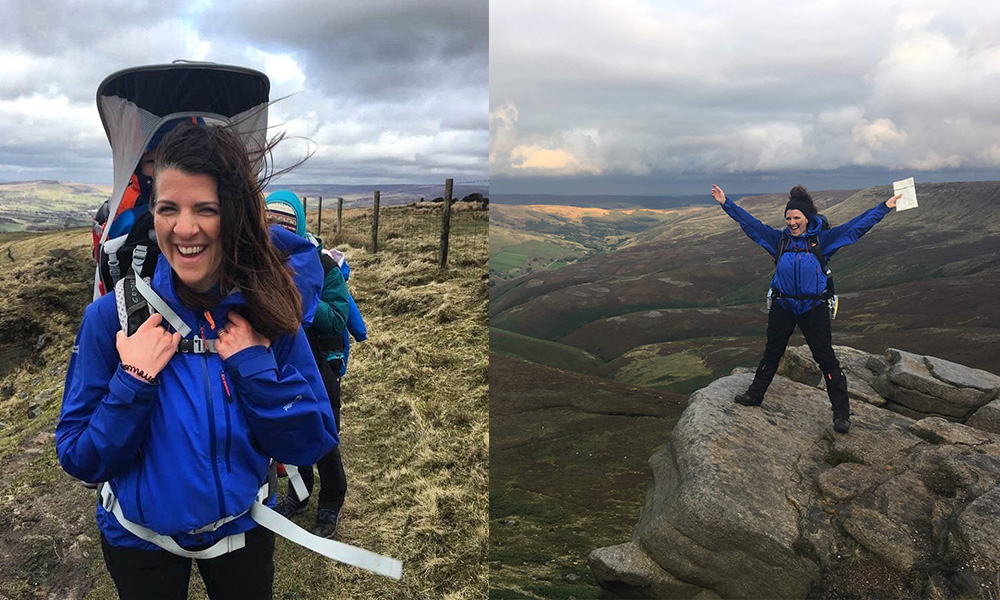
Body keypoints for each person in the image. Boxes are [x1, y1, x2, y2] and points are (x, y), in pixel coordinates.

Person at [57, 122, 338, 600]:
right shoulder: (113, 318)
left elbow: (309, 442)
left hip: (241, 534)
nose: (184, 229)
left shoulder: (268, 309)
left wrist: (253, 367)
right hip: (137, 542)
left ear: (235, 215)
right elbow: (79, 457)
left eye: (205, 209)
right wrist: (134, 380)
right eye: (168, 208)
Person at [711, 184, 900, 434]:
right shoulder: (778, 240)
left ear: (807, 218)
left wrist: (884, 207)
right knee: (772, 352)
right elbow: (751, 225)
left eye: (796, 217)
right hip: (784, 304)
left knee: (826, 359)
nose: (791, 222)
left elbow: (856, 227)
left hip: (813, 307)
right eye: (788, 218)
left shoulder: (822, 240)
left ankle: (841, 415)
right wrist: (727, 203)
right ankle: (754, 395)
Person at [265, 191, 352, 539]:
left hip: (319, 362)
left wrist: (301, 304)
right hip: (283, 362)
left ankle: (331, 502)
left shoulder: (324, 266)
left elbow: (337, 320)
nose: (278, 230)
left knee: (324, 432)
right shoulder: (258, 266)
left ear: (299, 225)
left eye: (286, 224)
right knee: (293, 426)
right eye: (271, 223)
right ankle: (299, 495)